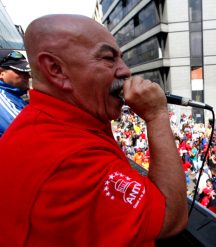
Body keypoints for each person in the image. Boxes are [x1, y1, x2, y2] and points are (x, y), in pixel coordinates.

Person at [0, 15, 187, 246]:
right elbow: (170, 217)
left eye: (121, 59)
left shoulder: (50, 124)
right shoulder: (70, 157)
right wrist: (157, 115)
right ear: (56, 69)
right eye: (109, 59)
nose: (126, 71)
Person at [0, 50, 31, 136]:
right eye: (21, 72)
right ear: (1, 73)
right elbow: (28, 132)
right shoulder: (2, 98)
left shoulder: (13, 95)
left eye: (27, 72)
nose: (28, 76)